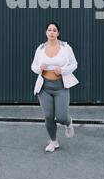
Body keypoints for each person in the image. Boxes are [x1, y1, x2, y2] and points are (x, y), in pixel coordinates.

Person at [31, 22, 79, 152]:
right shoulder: (40, 49)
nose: (51, 32)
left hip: (60, 87)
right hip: (44, 87)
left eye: (54, 30)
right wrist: (39, 68)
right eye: (49, 30)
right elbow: (33, 66)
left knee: (62, 117)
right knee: (48, 116)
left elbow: (74, 64)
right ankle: (53, 142)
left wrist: (63, 70)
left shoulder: (65, 48)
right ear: (46, 33)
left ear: (58, 33)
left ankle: (68, 123)